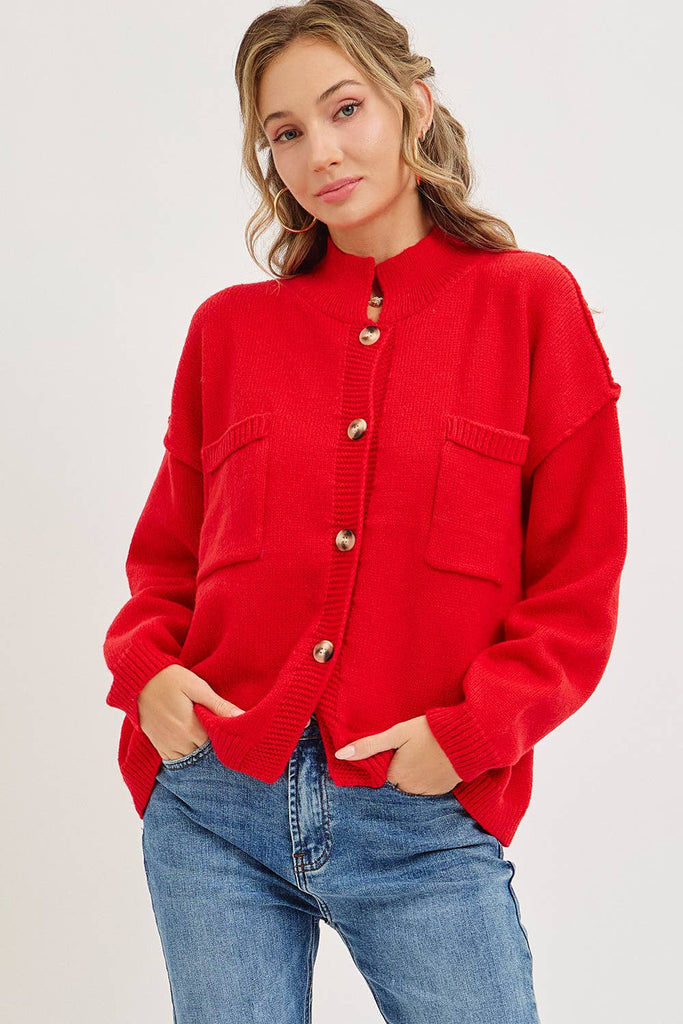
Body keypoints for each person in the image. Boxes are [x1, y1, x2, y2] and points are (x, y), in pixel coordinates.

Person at [102, 1, 627, 1020]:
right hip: (212, 805)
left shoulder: (527, 303)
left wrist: (472, 732)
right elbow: (168, 556)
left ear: (413, 104)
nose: (320, 153)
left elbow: (578, 579)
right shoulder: (228, 330)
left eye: (345, 109)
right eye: (285, 132)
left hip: (420, 815)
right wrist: (149, 670)